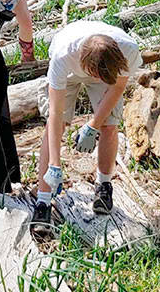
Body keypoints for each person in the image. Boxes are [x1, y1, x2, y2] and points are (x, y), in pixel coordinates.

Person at [31, 20, 144, 231]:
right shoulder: (63, 55)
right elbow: (56, 113)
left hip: (105, 68)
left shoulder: (127, 50)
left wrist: (93, 125)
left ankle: (104, 185)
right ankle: (43, 201)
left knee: (110, 125)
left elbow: (117, 87)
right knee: (56, 126)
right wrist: (55, 164)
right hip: (73, 71)